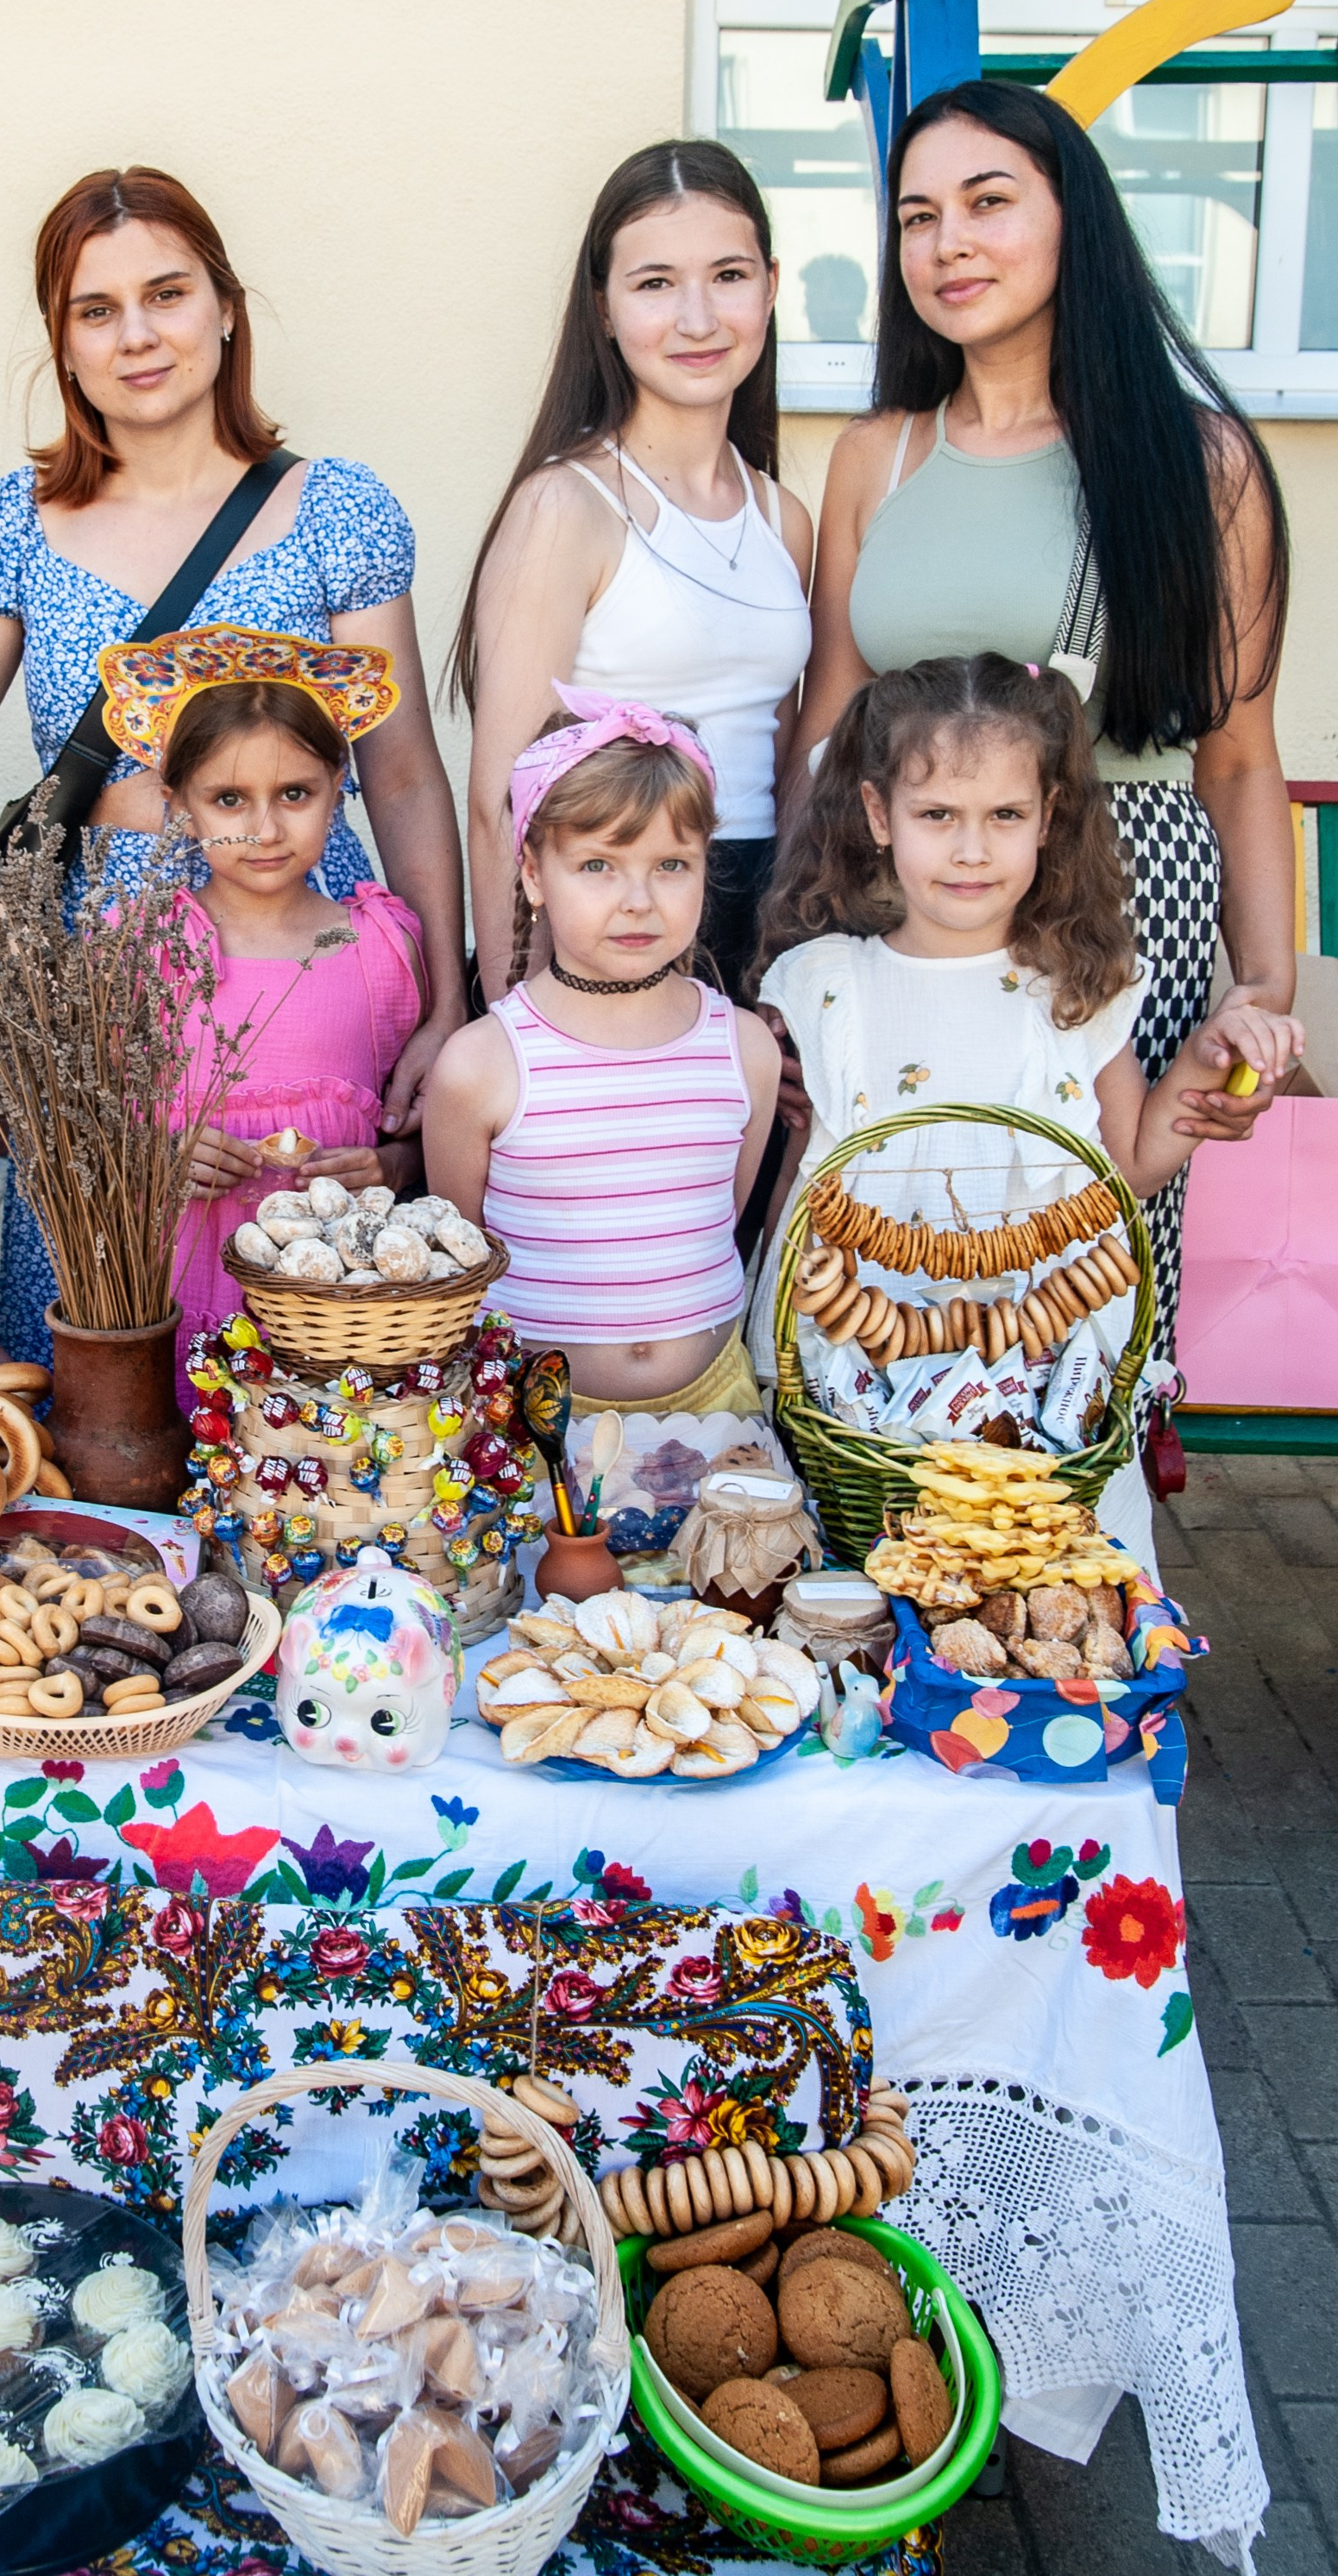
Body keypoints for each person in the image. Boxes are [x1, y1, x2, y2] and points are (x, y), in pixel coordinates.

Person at [0, 163, 466, 1365]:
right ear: (62, 341)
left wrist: (444, 998)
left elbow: (403, 775)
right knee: (111, 1302)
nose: (137, 335)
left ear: (226, 306)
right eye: (96, 310)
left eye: (166, 293)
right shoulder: (17, 523)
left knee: (319, 1272)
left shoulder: (333, 510)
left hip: (307, 955)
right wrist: (30, 966)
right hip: (103, 980)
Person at [792, 79, 1294, 1341]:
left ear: (1076, 219)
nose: (947, 241)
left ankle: (1062, 1527)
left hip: (1127, 895)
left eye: (988, 201)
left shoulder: (1201, 463)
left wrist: (1266, 990)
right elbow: (829, 725)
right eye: (917, 216)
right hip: (905, 913)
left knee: (1079, 1277)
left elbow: (1237, 759)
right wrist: (788, 941)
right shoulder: (878, 456)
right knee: (890, 1255)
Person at [751, 656, 1298, 1555]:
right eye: (937, 816)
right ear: (878, 815)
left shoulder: (1076, 986)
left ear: (1048, 817)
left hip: (1045, 1374)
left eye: (1004, 815)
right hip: (857, 1376)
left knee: (1050, 1591)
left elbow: (1125, 1161)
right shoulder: (823, 986)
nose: (971, 850)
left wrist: (1209, 1065)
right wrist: (761, 1349)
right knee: (859, 1595)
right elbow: (801, 1179)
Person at [451, 141, 813, 1007]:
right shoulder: (564, 507)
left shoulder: (784, 520)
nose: (697, 318)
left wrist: (789, 963)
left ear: (769, 285)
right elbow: (500, 800)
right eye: (654, 283)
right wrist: (520, 1023)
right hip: (606, 925)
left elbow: (788, 756)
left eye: (727, 276)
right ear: (604, 309)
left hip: (754, 928)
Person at [423, 694, 779, 1423]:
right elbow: (457, 1263)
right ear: (531, 874)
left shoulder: (745, 1048)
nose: (638, 899)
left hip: (717, 1411)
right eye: (597, 865)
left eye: (671, 864)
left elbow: (721, 1217)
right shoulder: (482, 1065)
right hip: (532, 1423)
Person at [91, 628, 427, 1384]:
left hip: (336, 1315)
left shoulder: (382, 949)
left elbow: (418, 1131)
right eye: (229, 798)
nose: (266, 829)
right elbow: (94, 1127)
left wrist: (393, 1164)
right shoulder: (141, 947)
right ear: (179, 804)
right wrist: (160, 1155)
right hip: (180, 1295)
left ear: (338, 784)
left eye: (296, 794)